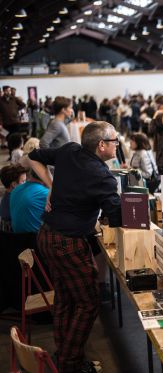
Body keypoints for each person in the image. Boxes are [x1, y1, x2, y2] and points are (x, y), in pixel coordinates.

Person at [21, 121, 122, 373]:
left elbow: (32, 157)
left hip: (46, 236)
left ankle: (64, 356)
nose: (118, 144)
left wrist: (51, 186)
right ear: (101, 145)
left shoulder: (69, 150)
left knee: (66, 300)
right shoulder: (102, 176)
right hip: (67, 242)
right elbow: (118, 217)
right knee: (88, 302)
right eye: (114, 141)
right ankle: (70, 363)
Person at [0, 164, 27, 232]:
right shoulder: (15, 200)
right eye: (23, 181)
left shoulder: (9, 195)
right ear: (14, 184)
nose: (26, 184)